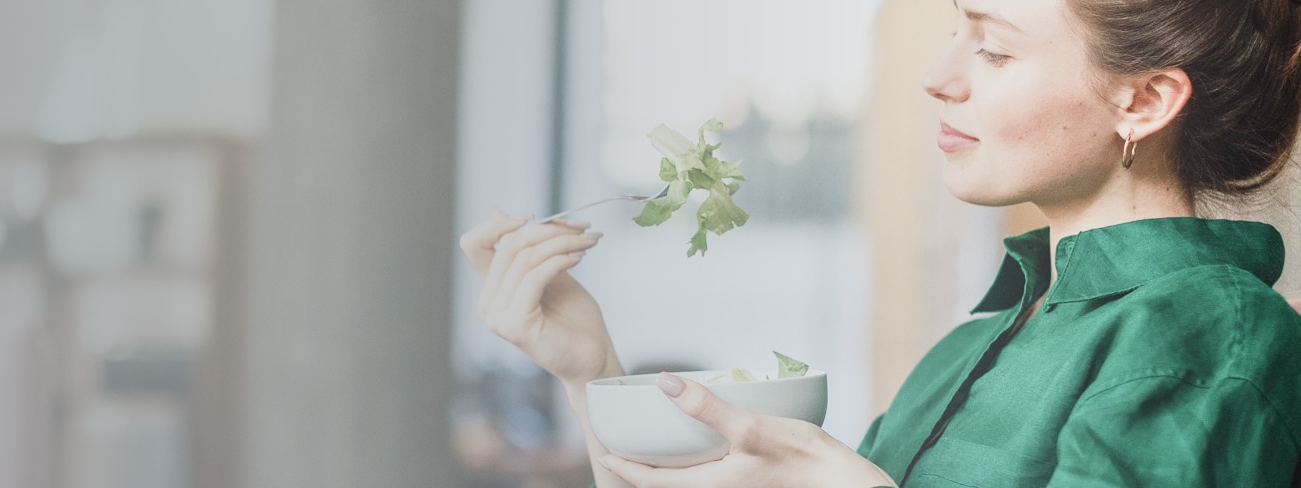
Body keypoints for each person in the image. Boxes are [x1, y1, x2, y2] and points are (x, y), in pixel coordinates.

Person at [458, 0, 1301, 486]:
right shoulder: (979, 343)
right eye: (955, 29)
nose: (939, 77)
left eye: (994, 49)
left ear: (1145, 102)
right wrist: (592, 372)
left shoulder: (1211, 335)